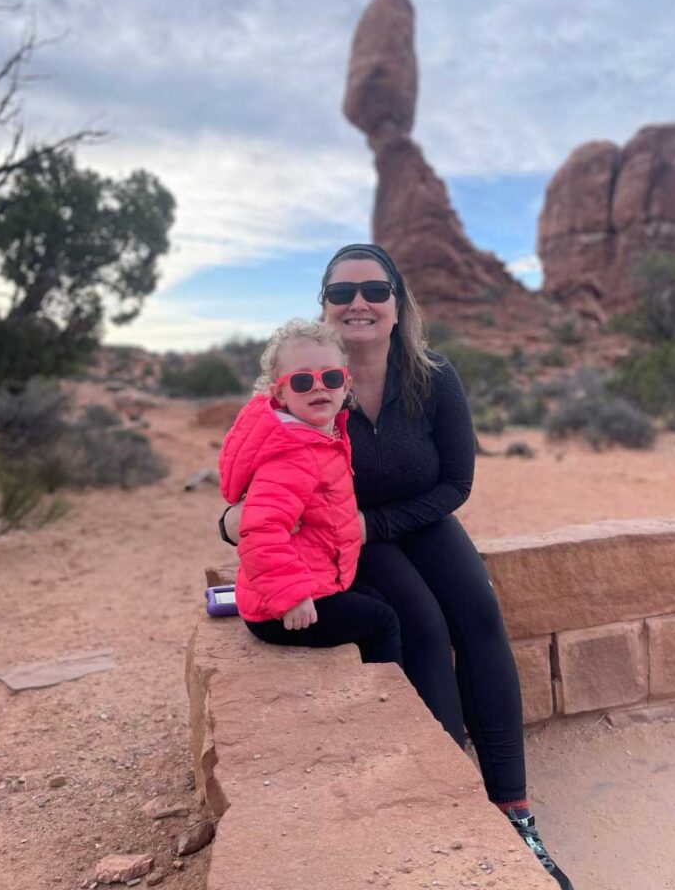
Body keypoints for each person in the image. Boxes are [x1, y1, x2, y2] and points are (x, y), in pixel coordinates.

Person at [221, 248, 573, 889]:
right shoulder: (309, 383)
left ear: (397, 304)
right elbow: (252, 482)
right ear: (324, 305)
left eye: (375, 289)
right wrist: (231, 523)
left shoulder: (434, 378)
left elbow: (457, 482)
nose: (359, 301)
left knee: (481, 620)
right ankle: (452, 798)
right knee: (423, 626)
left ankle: (513, 806)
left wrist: (374, 524)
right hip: (348, 539)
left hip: (417, 519)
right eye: (342, 291)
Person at [219, 317, 402, 666]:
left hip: (312, 581)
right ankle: (386, 708)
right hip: (279, 607)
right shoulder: (291, 453)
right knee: (383, 623)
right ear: (279, 392)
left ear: (345, 384)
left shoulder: (321, 438)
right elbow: (260, 529)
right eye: (303, 381)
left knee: (378, 600)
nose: (319, 388)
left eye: (330, 378)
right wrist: (292, 596)